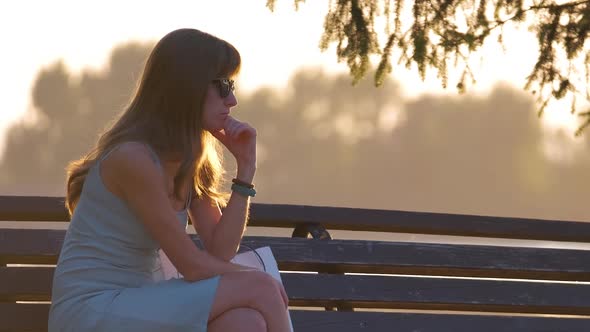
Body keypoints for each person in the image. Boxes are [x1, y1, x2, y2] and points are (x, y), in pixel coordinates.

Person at [48, 28, 291, 332]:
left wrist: (246, 168)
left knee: (245, 322)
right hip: (93, 309)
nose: (233, 100)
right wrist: (257, 279)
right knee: (261, 289)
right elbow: (192, 265)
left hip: (142, 301)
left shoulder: (188, 162)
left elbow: (219, 251)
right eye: (224, 85)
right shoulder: (133, 159)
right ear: (187, 87)